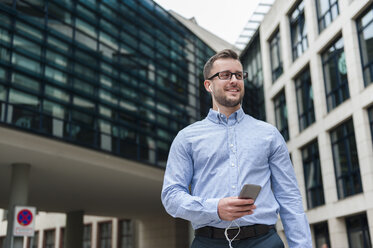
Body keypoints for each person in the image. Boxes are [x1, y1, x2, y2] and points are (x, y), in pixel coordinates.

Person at [161, 49, 312, 248]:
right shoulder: (187, 138)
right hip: (208, 242)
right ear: (208, 85)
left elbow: (289, 196)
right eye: (225, 75)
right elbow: (171, 196)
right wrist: (214, 208)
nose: (234, 80)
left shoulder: (269, 134)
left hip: (264, 242)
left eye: (238, 75)